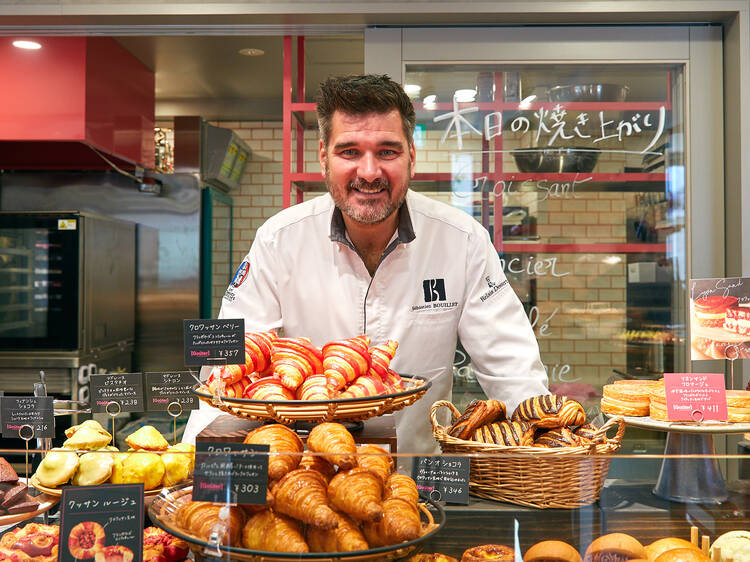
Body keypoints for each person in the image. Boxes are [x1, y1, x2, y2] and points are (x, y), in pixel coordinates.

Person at [183, 74, 548, 453]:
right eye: (350, 152)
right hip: (307, 478)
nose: (370, 172)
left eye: (387, 152)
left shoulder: (462, 240)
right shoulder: (278, 241)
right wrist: (195, 475)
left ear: (411, 156)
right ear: (323, 156)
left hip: (417, 482)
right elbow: (225, 376)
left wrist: (548, 443)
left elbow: (512, 367)